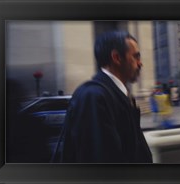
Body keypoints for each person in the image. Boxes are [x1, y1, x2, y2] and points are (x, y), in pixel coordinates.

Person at [56, 31, 152, 163]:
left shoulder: (119, 94)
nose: (140, 63)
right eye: (136, 57)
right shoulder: (93, 98)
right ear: (117, 57)